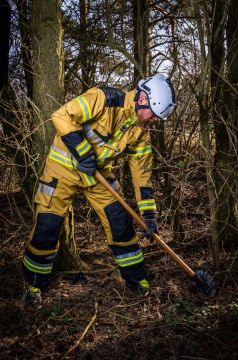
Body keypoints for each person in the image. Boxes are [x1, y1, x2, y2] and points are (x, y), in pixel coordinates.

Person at [22, 74, 176, 308]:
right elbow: (61, 115)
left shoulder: (141, 130)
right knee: (47, 226)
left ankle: (137, 282)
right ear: (143, 99)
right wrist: (83, 153)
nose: (155, 120)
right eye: (155, 114)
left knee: (120, 223)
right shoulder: (103, 98)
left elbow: (141, 174)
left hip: (98, 176)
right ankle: (34, 285)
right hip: (62, 169)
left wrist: (149, 214)